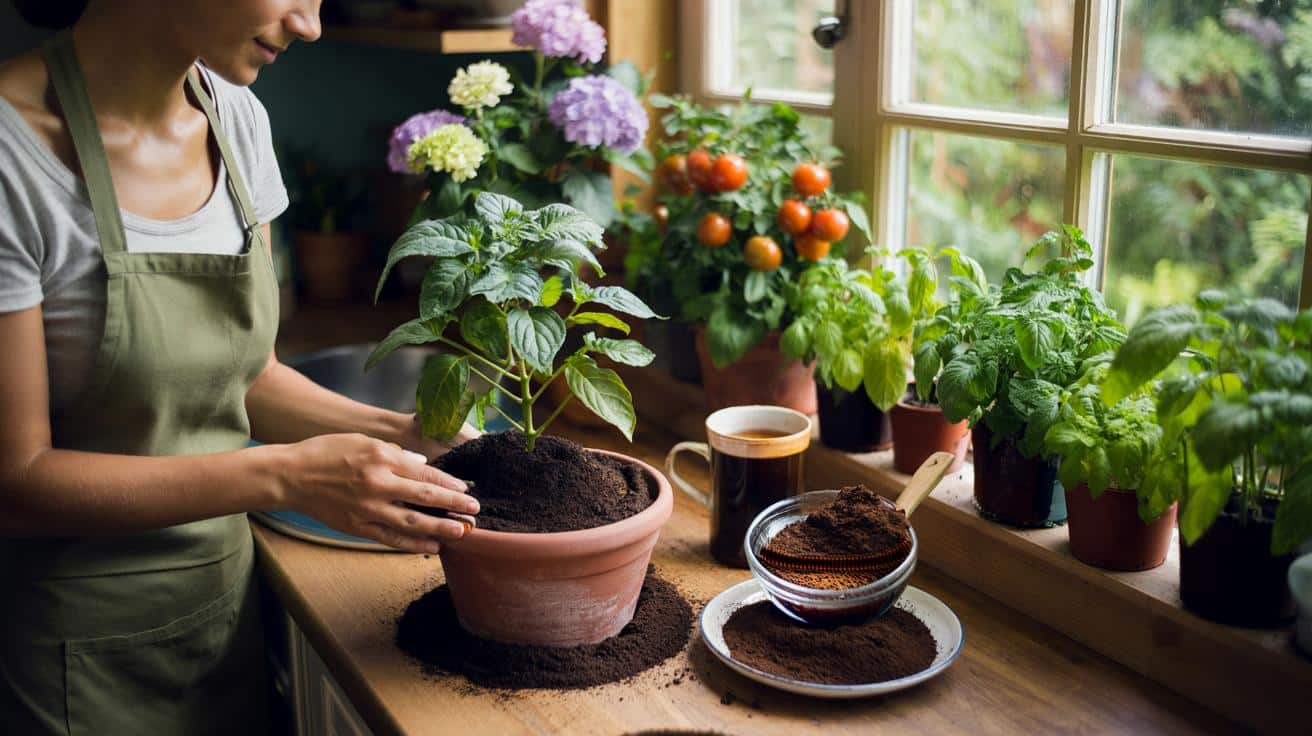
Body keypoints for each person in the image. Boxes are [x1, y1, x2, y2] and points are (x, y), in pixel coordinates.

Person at [0, 1, 480, 732]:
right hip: (75, 657)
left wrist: (401, 436)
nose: (309, 22)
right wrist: (284, 476)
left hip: (224, 621)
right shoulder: (12, 154)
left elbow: (246, 376)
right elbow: (16, 483)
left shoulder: (237, 118)